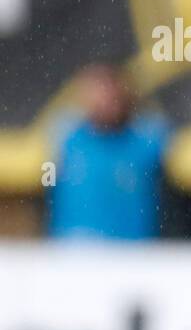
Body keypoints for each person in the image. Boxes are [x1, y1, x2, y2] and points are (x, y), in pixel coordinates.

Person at [47, 63, 171, 240]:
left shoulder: (148, 140)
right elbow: (47, 184)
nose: (104, 101)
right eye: (96, 93)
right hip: (73, 249)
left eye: (110, 94)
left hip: (133, 252)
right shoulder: (64, 138)